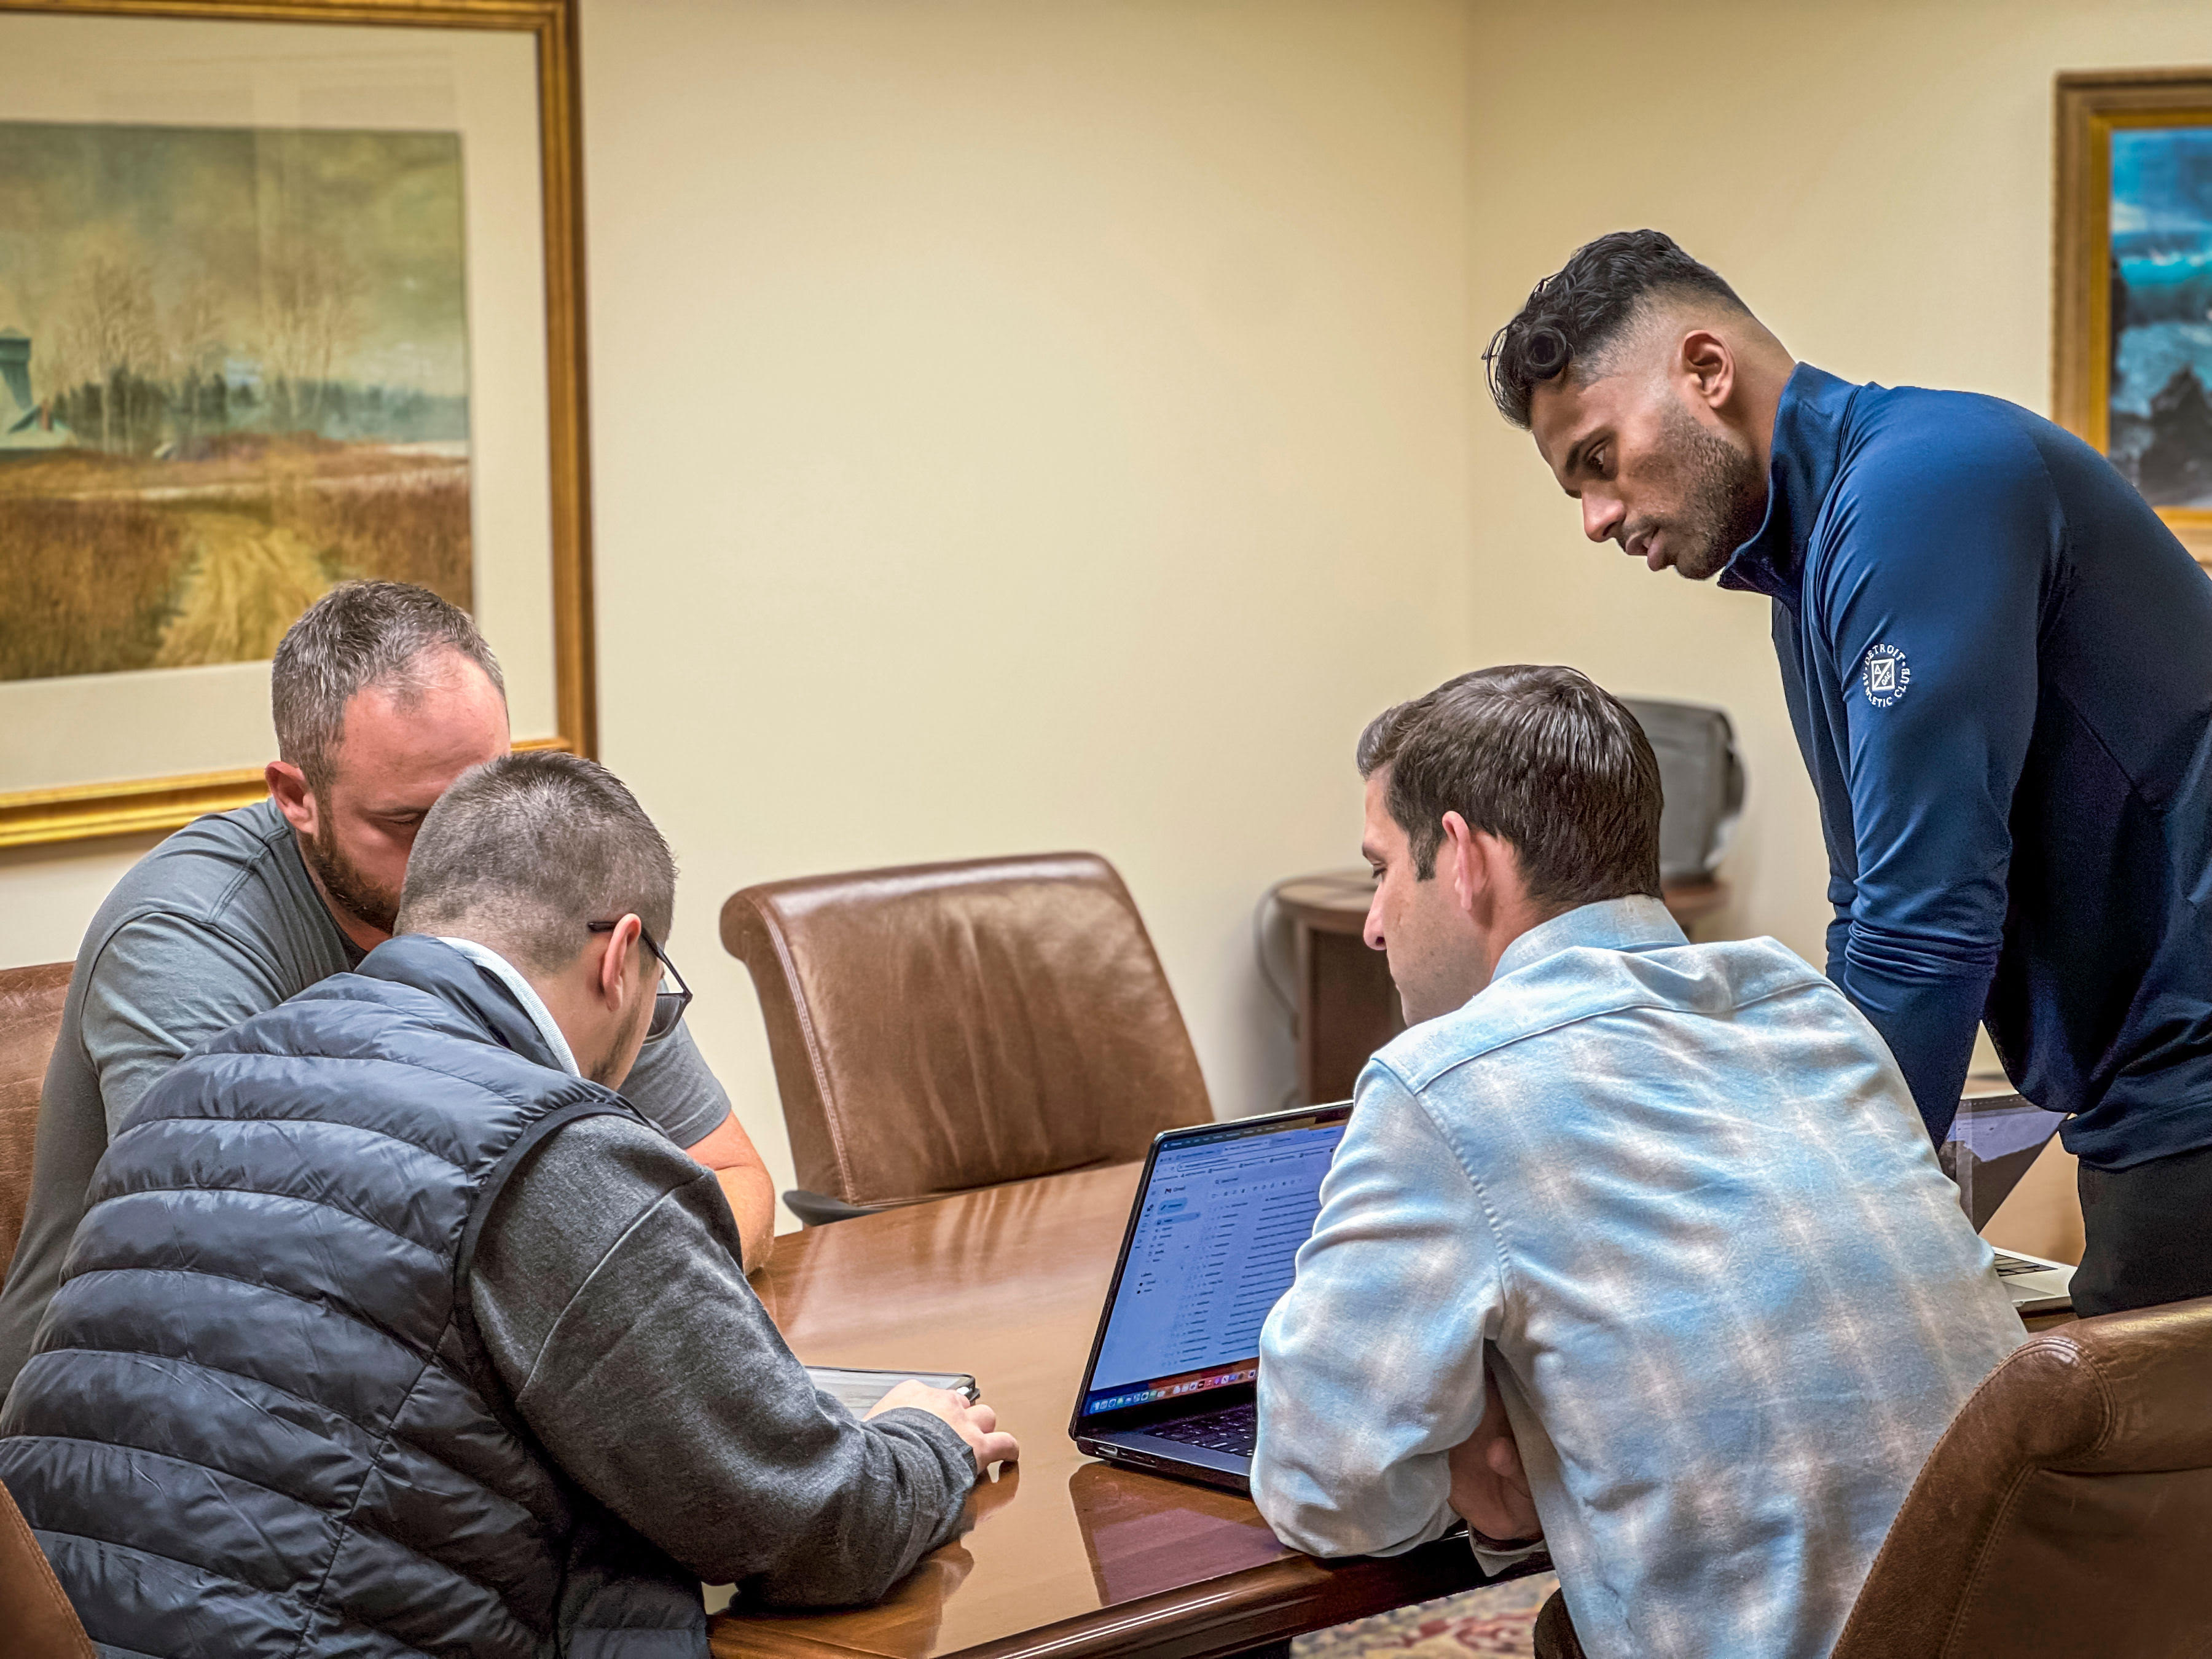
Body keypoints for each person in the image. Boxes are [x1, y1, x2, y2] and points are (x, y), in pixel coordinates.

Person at [0, 751, 1015, 1654]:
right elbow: (813, 1526)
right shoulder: (559, 1156)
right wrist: (925, 1441)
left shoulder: (198, 1086)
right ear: (622, 958)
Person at [1483, 230, 2212, 1317]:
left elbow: (1929, 926)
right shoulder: (1806, 576)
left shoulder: (1923, 485)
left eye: (1599, 457)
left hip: (2188, 1086)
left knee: (2118, 1470)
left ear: (1707, 370)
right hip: (2146, 1094)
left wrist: (1810, 1249)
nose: (1596, 518)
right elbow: (1864, 912)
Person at [1250, 666, 2025, 1659]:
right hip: (2043, 1616)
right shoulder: (1808, 1011)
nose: (1371, 921)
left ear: (1463, 858)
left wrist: (1472, 1474)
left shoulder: (1444, 1084)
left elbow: (1321, 1489)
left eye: (1381, 870)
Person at [0, 580, 775, 1399]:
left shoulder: (544, 886)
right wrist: (597, 1277)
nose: (470, 858)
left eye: (483, 802)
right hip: (127, 1437)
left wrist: (615, 1293)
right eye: (411, 823)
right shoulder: (185, 939)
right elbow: (242, 1284)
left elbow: (729, 1174)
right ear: (296, 797)